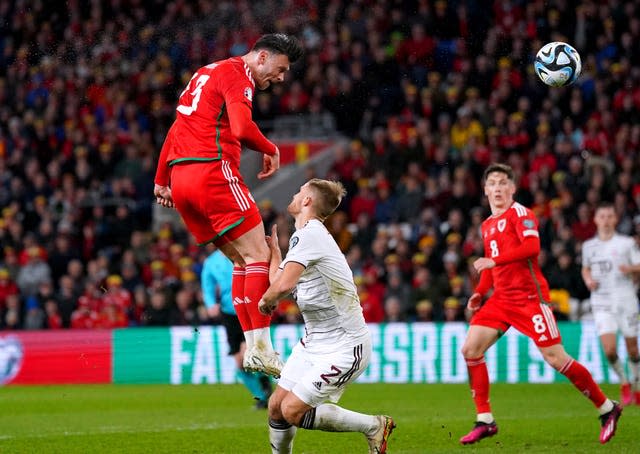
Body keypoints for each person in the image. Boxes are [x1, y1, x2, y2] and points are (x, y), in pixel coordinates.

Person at [153, 34, 304, 377]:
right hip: (212, 173)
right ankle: (261, 347)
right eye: (279, 69)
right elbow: (240, 128)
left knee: (241, 260)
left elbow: (177, 127)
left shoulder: (205, 73)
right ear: (261, 57)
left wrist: (161, 178)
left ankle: (251, 348)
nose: (280, 78)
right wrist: (271, 148)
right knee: (261, 256)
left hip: (182, 179)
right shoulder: (238, 75)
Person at [460, 163, 622, 445]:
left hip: (529, 298)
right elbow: (490, 266)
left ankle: (608, 409)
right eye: (493, 183)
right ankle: (485, 419)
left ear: (512, 188)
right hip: (501, 299)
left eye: (503, 183)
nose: (498, 188)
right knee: (471, 349)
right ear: (485, 190)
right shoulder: (486, 225)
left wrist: (494, 262)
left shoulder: (521, 214)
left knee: (555, 358)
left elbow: (532, 249)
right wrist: (480, 292)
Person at [258, 179, 395, 454]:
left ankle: (373, 426)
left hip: (345, 347)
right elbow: (279, 280)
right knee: (275, 407)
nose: (295, 194)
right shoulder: (304, 240)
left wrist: (265, 302)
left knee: (292, 410)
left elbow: (281, 288)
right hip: (313, 344)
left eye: (299, 191)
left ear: (307, 201)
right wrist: (275, 254)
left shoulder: (311, 235)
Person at [581, 202, 640, 406]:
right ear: (596, 220)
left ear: (615, 219)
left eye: (609, 216)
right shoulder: (588, 246)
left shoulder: (626, 243)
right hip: (601, 301)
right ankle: (624, 382)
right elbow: (585, 268)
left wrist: (631, 268)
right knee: (609, 350)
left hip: (626, 299)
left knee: (633, 350)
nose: (606, 220)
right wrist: (588, 280)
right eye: (602, 216)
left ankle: (637, 385)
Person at [201, 245, 272, 409]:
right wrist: (211, 303)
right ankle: (262, 395)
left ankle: (264, 381)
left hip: (248, 308)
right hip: (229, 312)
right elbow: (208, 284)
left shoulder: (244, 253)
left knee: (246, 352)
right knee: (239, 362)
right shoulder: (211, 262)